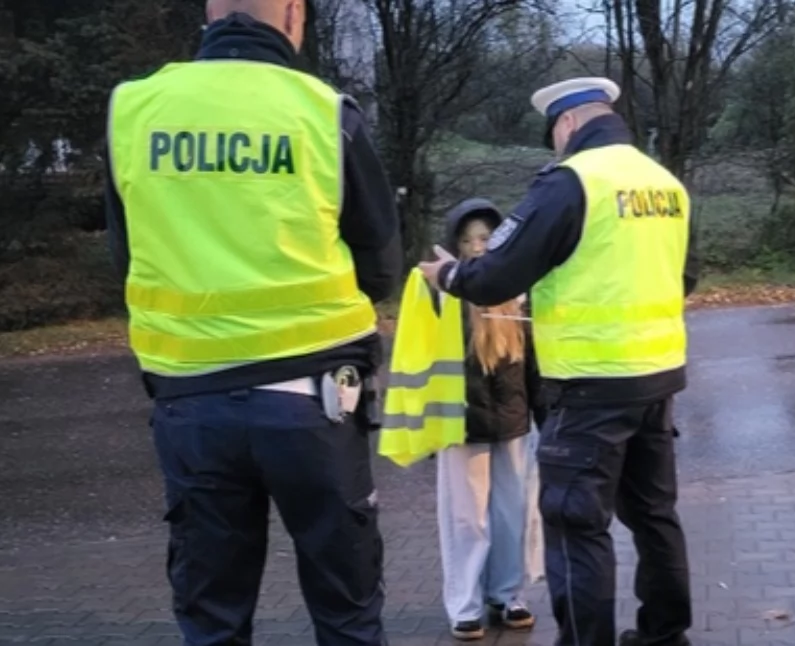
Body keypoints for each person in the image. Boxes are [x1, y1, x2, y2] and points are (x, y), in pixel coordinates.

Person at [102, 1, 401, 644]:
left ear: (211, 13)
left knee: (213, 615)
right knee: (347, 611)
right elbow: (381, 266)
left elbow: (126, 254)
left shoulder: (133, 108)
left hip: (191, 404)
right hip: (313, 402)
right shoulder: (324, 111)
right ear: (293, 14)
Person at [419, 77, 700, 646]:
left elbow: (495, 272)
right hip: (659, 376)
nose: (556, 146)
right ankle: (665, 636)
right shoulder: (665, 183)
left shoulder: (572, 181)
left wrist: (447, 274)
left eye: (555, 135)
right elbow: (686, 275)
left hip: (589, 387)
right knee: (654, 517)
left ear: (567, 124)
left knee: (576, 526)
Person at [433, 198, 543, 641]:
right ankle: (465, 604)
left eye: (484, 238)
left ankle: (508, 593)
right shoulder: (442, 296)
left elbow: (533, 361)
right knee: (466, 518)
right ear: (455, 246)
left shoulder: (518, 291)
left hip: (515, 420)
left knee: (513, 511)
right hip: (462, 424)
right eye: (467, 239)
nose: (476, 247)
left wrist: (545, 414)